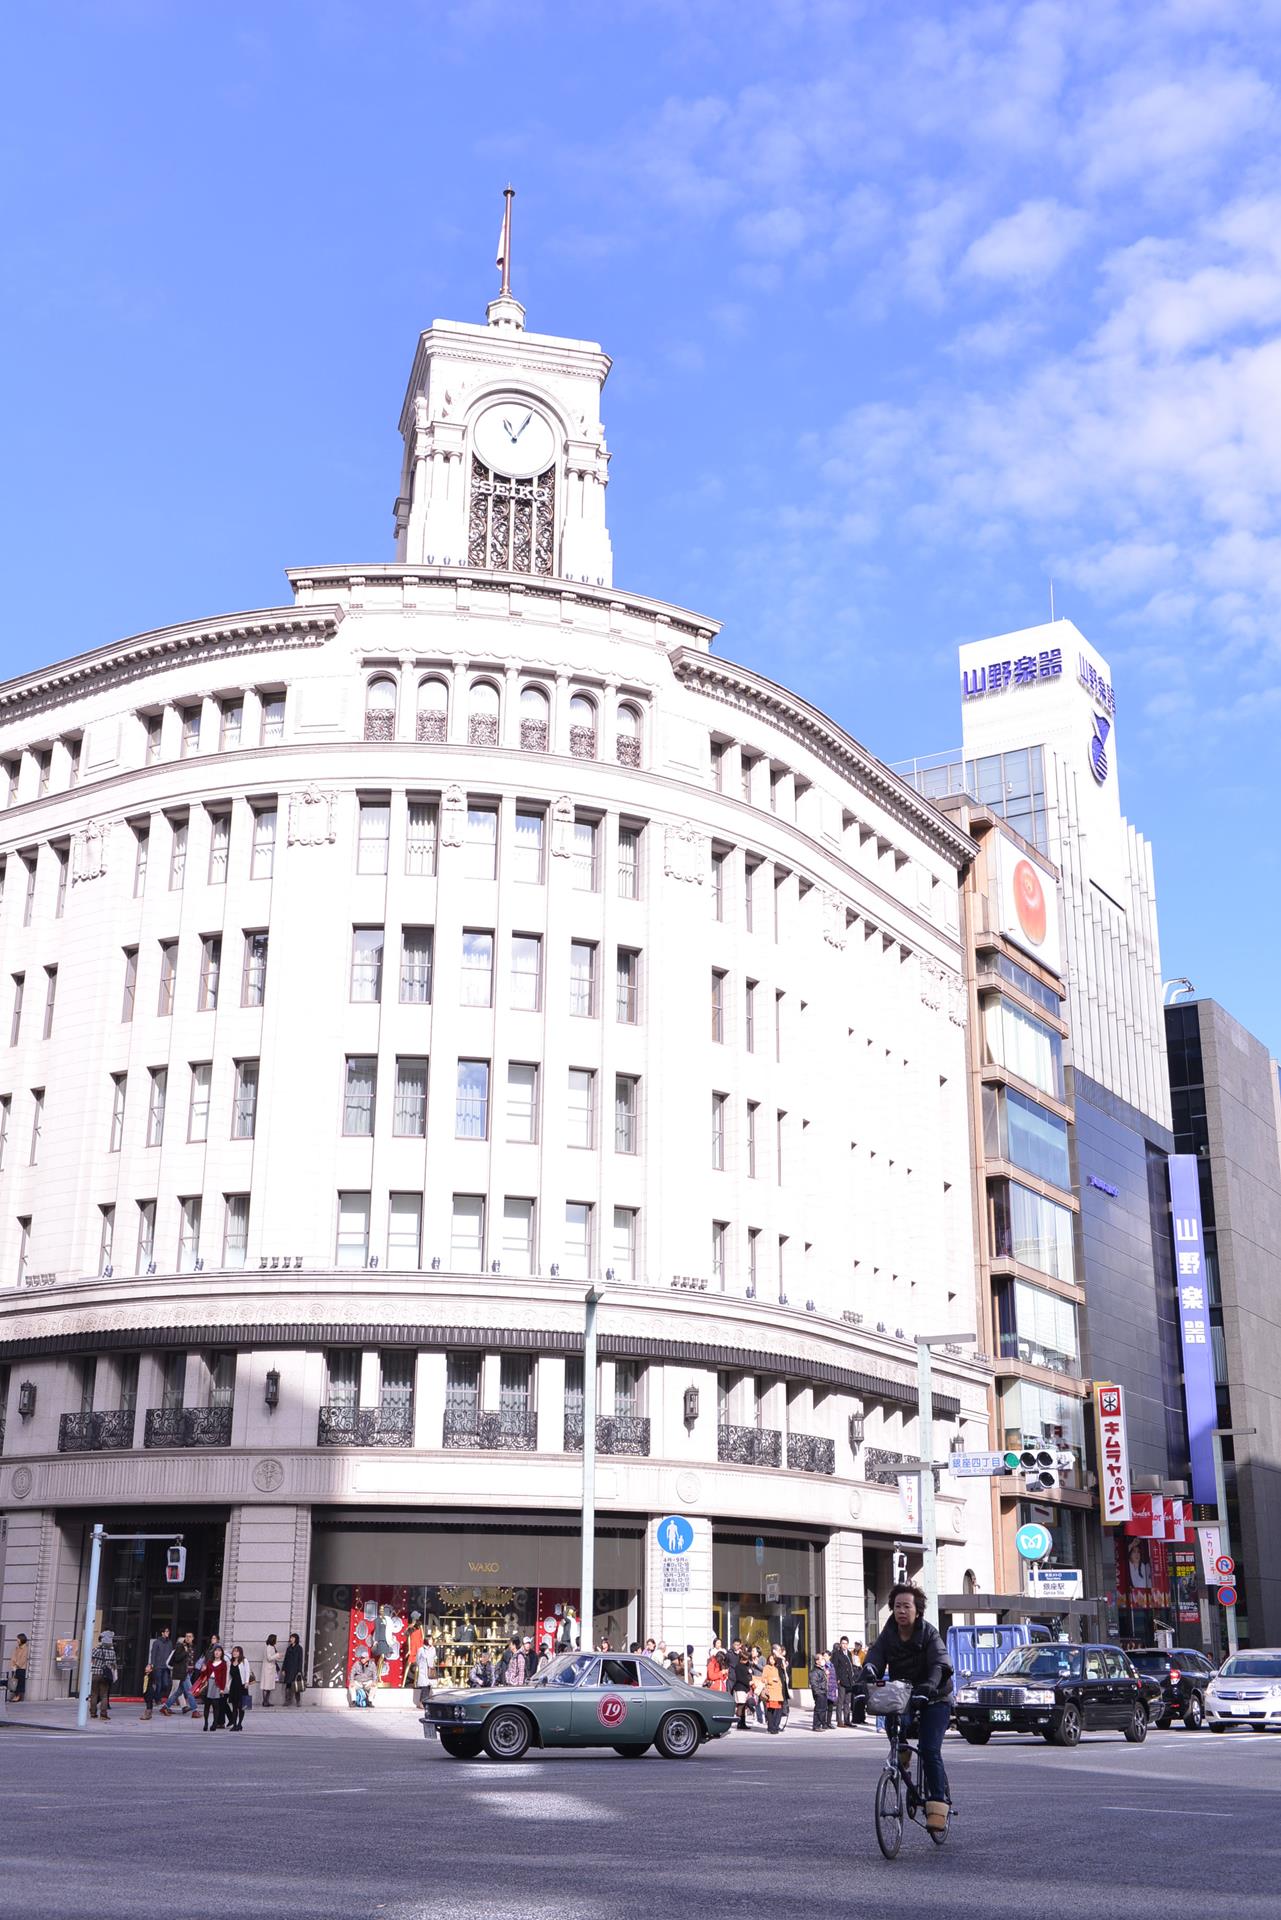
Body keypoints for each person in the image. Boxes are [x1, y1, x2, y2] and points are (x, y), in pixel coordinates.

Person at [862, 1584, 954, 1834]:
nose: (901, 1611)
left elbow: (940, 1664)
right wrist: (868, 1673)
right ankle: (901, 1751)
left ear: (917, 1610)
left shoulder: (929, 1633)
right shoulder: (888, 1633)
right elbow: (875, 1657)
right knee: (895, 1734)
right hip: (904, 1695)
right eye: (898, 1606)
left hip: (935, 1697)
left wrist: (930, 1686)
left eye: (907, 1606)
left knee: (929, 1749)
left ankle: (938, 1802)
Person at [161, 1633, 198, 1716]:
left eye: (190, 1636)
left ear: (193, 1638)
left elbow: (191, 1660)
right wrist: (185, 1651)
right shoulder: (180, 1646)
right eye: (186, 1636)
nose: (188, 1638)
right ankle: (195, 1711)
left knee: (178, 1692)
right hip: (183, 1673)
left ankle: (165, 1707)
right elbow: (177, 1658)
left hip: (189, 1672)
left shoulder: (192, 1647)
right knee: (190, 1691)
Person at [88, 1630, 118, 1721]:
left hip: (96, 1673)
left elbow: (91, 1658)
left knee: (94, 1694)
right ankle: (103, 1714)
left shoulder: (96, 1649)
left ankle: (93, 1713)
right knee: (104, 1695)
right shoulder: (112, 1652)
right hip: (105, 1675)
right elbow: (114, 1664)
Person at [203, 1645, 230, 1730]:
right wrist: (203, 1670)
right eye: (216, 1651)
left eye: (219, 1651)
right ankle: (206, 1723)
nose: (217, 1652)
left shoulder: (223, 1663)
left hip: (217, 1684)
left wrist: (222, 1688)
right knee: (207, 1705)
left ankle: (215, 1723)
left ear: (221, 1653)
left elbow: (224, 1677)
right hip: (209, 1683)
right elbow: (205, 1675)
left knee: (215, 1705)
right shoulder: (209, 1662)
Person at [831, 1638, 856, 1728]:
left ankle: (847, 1720)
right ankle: (839, 1721)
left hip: (849, 1681)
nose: (844, 1645)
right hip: (841, 1680)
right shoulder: (837, 1654)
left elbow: (850, 1667)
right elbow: (834, 1667)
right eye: (843, 1643)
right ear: (840, 1644)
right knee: (840, 1701)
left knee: (847, 1701)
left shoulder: (849, 1653)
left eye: (846, 1643)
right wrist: (837, 1679)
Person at [730, 1641, 754, 1730]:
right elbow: (740, 1678)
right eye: (745, 1659)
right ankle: (739, 1722)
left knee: (743, 1706)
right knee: (741, 1705)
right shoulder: (739, 1666)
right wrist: (749, 1683)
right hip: (740, 1688)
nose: (746, 1661)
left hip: (743, 1688)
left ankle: (742, 1723)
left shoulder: (745, 1666)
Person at [760, 1651, 786, 1733]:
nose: (772, 1660)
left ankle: (775, 1726)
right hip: (771, 1691)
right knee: (770, 1710)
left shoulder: (777, 1668)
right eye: (770, 1658)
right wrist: (771, 1680)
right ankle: (771, 1727)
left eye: (773, 1659)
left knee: (778, 1710)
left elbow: (784, 1667)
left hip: (778, 1692)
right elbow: (763, 1679)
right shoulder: (766, 1667)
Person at [227, 1646, 251, 1730]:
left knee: (242, 1706)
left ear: (240, 1653)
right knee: (234, 1706)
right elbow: (229, 1675)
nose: (234, 1653)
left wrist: (247, 1682)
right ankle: (234, 1724)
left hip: (242, 1685)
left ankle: (240, 1724)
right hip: (233, 1686)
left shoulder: (244, 1661)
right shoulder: (231, 1662)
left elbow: (247, 1671)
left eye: (237, 1651)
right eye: (233, 1651)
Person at [413, 1634, 437, 1708]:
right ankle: (421, 1702)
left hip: (430, 1670)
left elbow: (434, 1658)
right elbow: (417, 1660)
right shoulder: (421, 1649)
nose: (431, 1641)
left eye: (432, 1640)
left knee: (429, 1686)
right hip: (423, 1670)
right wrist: (421, 1666)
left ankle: (425, 1702)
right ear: (426, 1640)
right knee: (424, 1687)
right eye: (430, 1640)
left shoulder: (433, 1649)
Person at [809, 1651, 830, 1731]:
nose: (823, 1660)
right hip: (819, 1693)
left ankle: (822, 1724)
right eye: (821, 1659)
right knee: (819, 1709)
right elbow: (814, 1684)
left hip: (823, 1692)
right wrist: (817, 1692)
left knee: (823, 1709)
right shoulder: (814, 1671)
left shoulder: (821, 1670)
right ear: (817, 1661)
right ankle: (816, 1725)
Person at [282, 1632, 304, 1705]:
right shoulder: (289, 1648)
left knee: (296, 1685)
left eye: (292, 1638)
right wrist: (283, 1669)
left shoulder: (299, 1648)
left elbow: (300, 1660)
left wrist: (299, 1671)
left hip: (295, 1669)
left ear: (296, 1639)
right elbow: (286, 1659)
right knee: (288, 1685)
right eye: (290, 1638)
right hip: (288, 1669)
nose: (291, 1639)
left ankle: (298, 1701)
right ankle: (287, 1701)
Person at [260, 1634, 281, 1707]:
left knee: (269, 1686)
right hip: (268, 1669)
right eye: (276, 1639)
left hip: (271, 1669)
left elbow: (273, 1657)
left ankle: (266, 1701)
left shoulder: (272, 1647)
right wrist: (277, 1655)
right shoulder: (269, 1647)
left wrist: (278, 1656)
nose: (276, 1641)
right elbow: (269, 1658)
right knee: (266, 1686)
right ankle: (265, 1702)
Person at [9, 1633, 29, 1704]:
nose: (17, 1640)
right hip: (15, 1667)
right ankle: (15, 1695)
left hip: (21, 1668)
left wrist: (17, 1665)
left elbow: (23, 1659)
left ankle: (18, 1696)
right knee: (14, 1682)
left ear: (21, 1639)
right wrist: (13, 1665)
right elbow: (13, 1657)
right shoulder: (17, 1647)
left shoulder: (25, 1648)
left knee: (19, 1682)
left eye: (18, 1638)